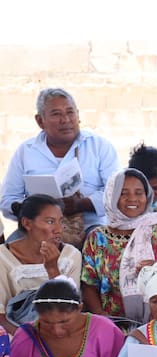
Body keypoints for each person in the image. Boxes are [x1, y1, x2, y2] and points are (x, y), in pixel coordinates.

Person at [81, 168, 157, 326]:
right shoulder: (97, 238)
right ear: (111, 196)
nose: (132, 199)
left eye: (139, 193)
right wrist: (102, 319)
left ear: (148, 196)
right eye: (123, 193)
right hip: (114, 325)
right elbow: (89, 283)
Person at [1, 88, 120, 247]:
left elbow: (116, 193)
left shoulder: (99, 146)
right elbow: (7, 199)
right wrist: (32, 209)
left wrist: (81, 204)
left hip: (89, 228)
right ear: (40, 121)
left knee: (100, 246)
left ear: (78, 115)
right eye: (56, 114)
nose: (65, 120)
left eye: (70, 112)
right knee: (9, 251)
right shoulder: (26, 151)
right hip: (38, 230)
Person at [0, 195, 81, 333]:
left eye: (60, 222)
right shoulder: (3, 257)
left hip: (60, 332)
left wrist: (53, 269)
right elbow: (1, 317)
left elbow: (70, 309)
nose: (59, 229)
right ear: (27, 223)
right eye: (50, 222)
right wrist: (28, 341)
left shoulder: (71, 255)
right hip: (15, 333)